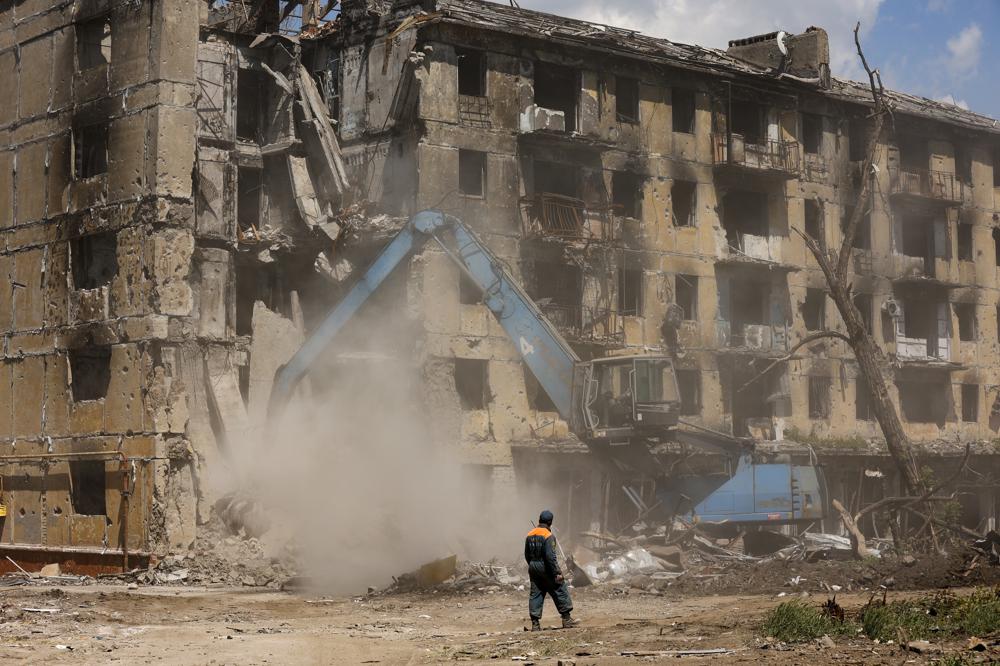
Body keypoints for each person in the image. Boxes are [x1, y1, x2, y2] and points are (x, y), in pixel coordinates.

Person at [524, 510, 578, 631]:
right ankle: (567, 619)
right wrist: (557, 573)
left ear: (539, 520)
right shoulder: (548, 536)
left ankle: (535, 624)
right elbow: (550, 557)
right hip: (545, 566)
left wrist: (533, 565)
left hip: (533, 566)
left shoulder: (529, 534)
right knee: (559, 589)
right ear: (550, 522)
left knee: (536, 593)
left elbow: (526, 554)